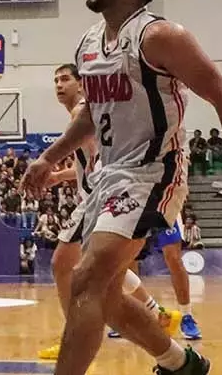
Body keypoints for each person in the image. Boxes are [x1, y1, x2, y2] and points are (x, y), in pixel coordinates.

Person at [22, 0, 222, 375]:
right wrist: (49, 157)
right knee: (103, 295)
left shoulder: (159, 36)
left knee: (84, 279)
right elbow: (90, 114)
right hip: (109, 176)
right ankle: (181, 363)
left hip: (152, 171)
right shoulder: (88, 42)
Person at [38, 63, 180, 361]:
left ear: (81, 84)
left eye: (65, 79)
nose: (59, 85)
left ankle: (75, 335)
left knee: (64, 265)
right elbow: (85, 162)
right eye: (55, 80)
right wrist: (59, 176)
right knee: (102, 268)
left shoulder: (81, 112)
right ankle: (159, 314)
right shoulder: (81, 114)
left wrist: (49, 165)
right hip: (97, 194)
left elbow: (98, 156)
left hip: (98, 197)